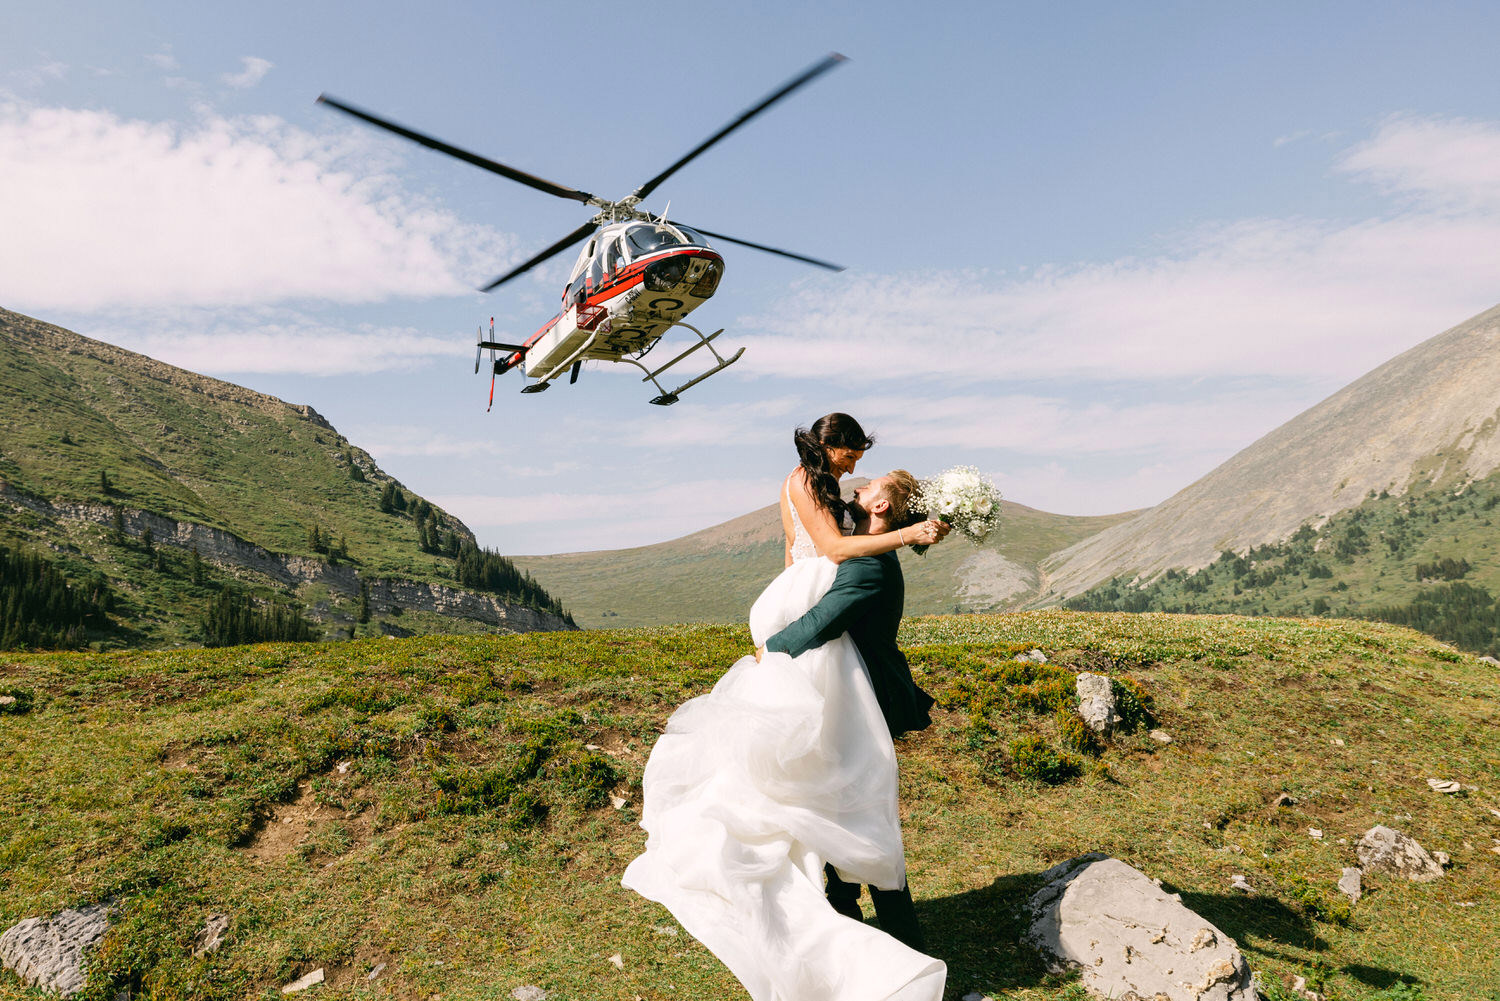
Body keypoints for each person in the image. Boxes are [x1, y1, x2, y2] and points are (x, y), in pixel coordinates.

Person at [622, 414, 949, 1001]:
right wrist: (907, 533)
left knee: (823, 781)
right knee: (833, 779)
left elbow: (822, 575)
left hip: (818, 628)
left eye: (866, 474)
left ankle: (847, 904)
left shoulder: (845, 523)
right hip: (813, 626)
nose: (857, 472)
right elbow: (824, 550)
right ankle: (857, 907)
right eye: (852, 457)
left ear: (883, 506)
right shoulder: (814, 489)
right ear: (833, 446)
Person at [758, 470, 938, 951]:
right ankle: (848, 922)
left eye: (868, 487)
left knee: (864, 824)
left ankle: (904, 944)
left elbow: (823, 622)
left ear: (880, 507)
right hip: (847, 705)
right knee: (841, 813)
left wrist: (767, 651)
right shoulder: (866, 555)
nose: (856, 489)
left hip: (862, 711)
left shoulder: (866, 568)